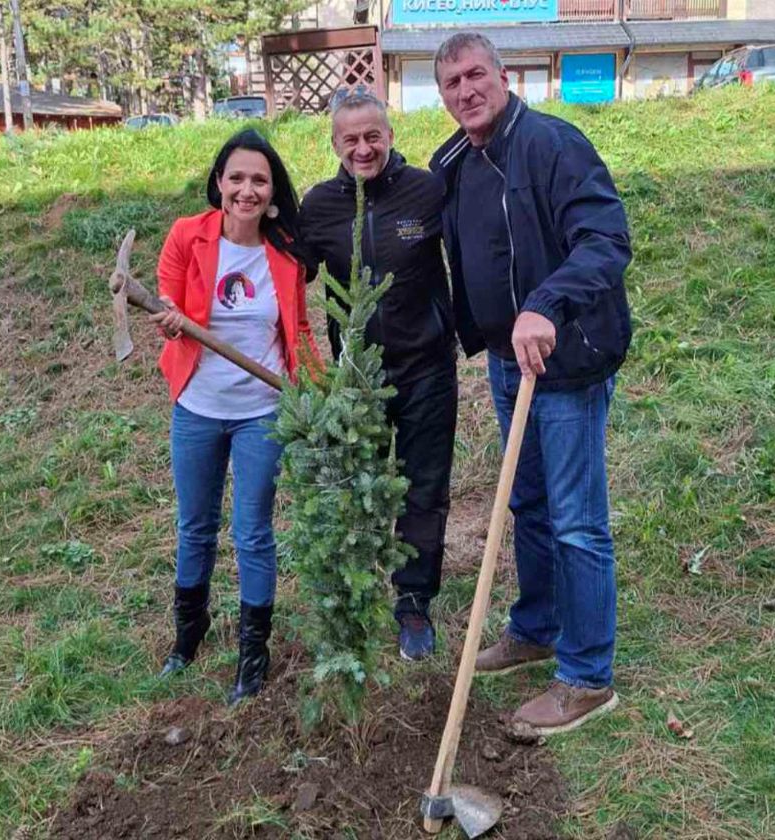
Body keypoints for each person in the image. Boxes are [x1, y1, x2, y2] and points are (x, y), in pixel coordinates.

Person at [430, 32, 633, 735]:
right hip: (505, 360)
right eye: (452, 82)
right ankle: (538, 626)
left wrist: (546, 305)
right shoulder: (455, 162)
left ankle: (586, 676)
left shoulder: (552, 144)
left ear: (504, 75)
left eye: (476, 74)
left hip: (567, 359)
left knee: (576, 519)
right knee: (530, 502)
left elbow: (606, 240)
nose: (466, 90)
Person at [151, 128, 320, 705]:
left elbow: (295, 330)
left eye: (259, 180)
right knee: (195, 525)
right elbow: (168, 300)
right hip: (197, 408)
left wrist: (315, 392)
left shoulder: (284, 255)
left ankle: (253, 653)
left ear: (272, 192)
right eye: (237, 178)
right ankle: (187, 639)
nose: (246, 190)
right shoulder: (186, 237)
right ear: (219, 184)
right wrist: (169, 317)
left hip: (261, 413)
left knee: (253, 532)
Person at [299, 89, 458, 661]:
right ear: (335, 144)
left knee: (424, 487)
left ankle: (413, 602)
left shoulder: (426, 191)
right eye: (351, 139)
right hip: (358, 376)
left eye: (373, 135)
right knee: (358, 487)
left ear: (389, 134)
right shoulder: (318, 207)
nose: (363, 148)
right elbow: (287, 275)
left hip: (427, 369)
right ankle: (356, 599)